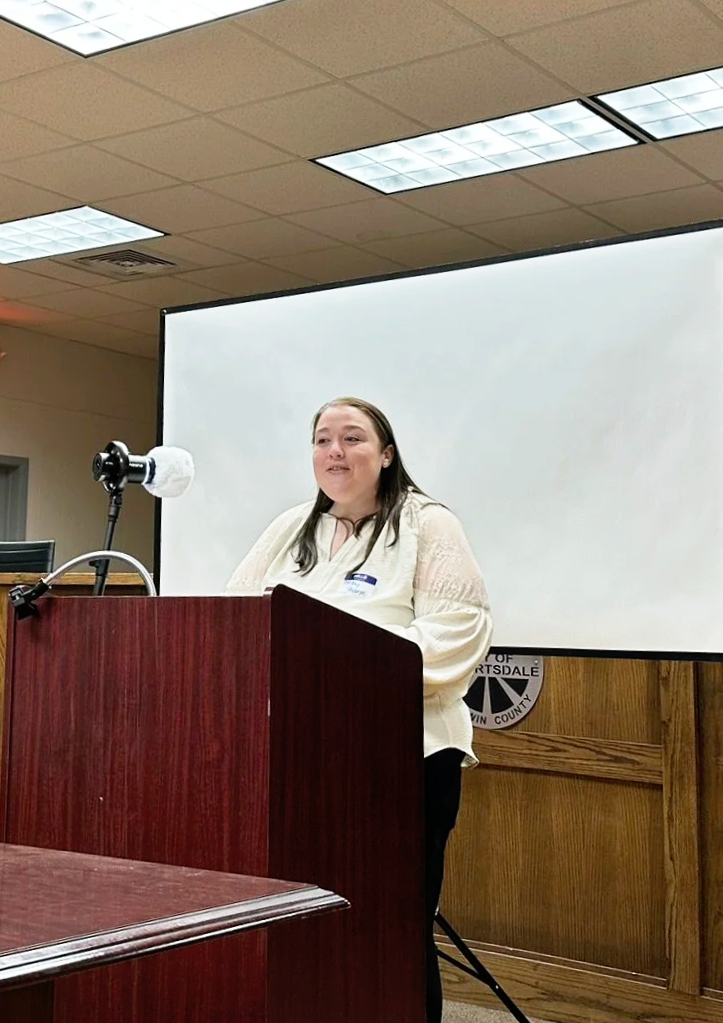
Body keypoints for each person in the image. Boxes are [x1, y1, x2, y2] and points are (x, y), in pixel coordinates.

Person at [226, 397, 492, 1023]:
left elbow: (458, 632)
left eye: (353, 438)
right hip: (300, 756)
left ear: (388, 454)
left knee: (391, 928)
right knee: (304, 926)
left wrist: (341, 669)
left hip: (404, 758)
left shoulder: (428, 524)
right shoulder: (292, 527)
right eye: (322, 440)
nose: (335, 452)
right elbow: (234, 618)